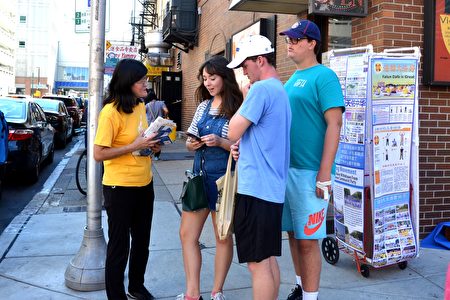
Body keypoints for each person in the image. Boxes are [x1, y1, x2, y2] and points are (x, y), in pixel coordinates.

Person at [280, 20, 345, 300]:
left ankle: (311, 297)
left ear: (312, 43)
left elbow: (335, 124)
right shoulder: (292, 78)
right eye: (288, 39)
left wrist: (324, 174)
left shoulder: (324, 76)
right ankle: (300, 286)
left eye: (296, 38)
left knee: (308, 240)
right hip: (287, 170)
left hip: (310, 173)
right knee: (294, 235)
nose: (289, 43)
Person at [227, 35, 291, 300]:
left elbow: (232, 130)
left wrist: (245, 96)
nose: (243, 71)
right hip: (272, 189)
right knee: (267, 260)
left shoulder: (261, 90)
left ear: (260, 60)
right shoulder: (280, 89)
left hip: (256, 190)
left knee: (257, 264)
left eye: (245, 65)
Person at [93, 58, 161, 300]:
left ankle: (136, 286)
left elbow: (141, 141)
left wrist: (152, 145)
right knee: (119, 246)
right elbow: (98, 153)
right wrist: (135, 145)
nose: (146, 83)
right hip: (119, 187)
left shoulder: (140, 105)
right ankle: (116, 295)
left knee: (142, 242)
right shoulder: (110, 112)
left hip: (145, 183)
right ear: (128, 83)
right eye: (141, 80)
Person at [177, 55, 243, 300]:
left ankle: (217, 292)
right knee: (187, 235)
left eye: (213, 78)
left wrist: (221, 142)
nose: (208, 83)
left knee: (222, 236)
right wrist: (192, 145)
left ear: (225, 77)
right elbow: (189, 141)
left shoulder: (238, 107)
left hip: (224, 179)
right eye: (205, 79)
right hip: (199, 177)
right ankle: (192, 293)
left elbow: (243, 147)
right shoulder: (203, 106)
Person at [145, 89, 169, 160]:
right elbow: (166, 111)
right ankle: (156, 156)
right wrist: (165, 116)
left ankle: (149, 154)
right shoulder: (161, 103)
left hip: (150, 126)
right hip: (159, 125)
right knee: (158, 141)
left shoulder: (147, 105)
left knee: (150, 140)